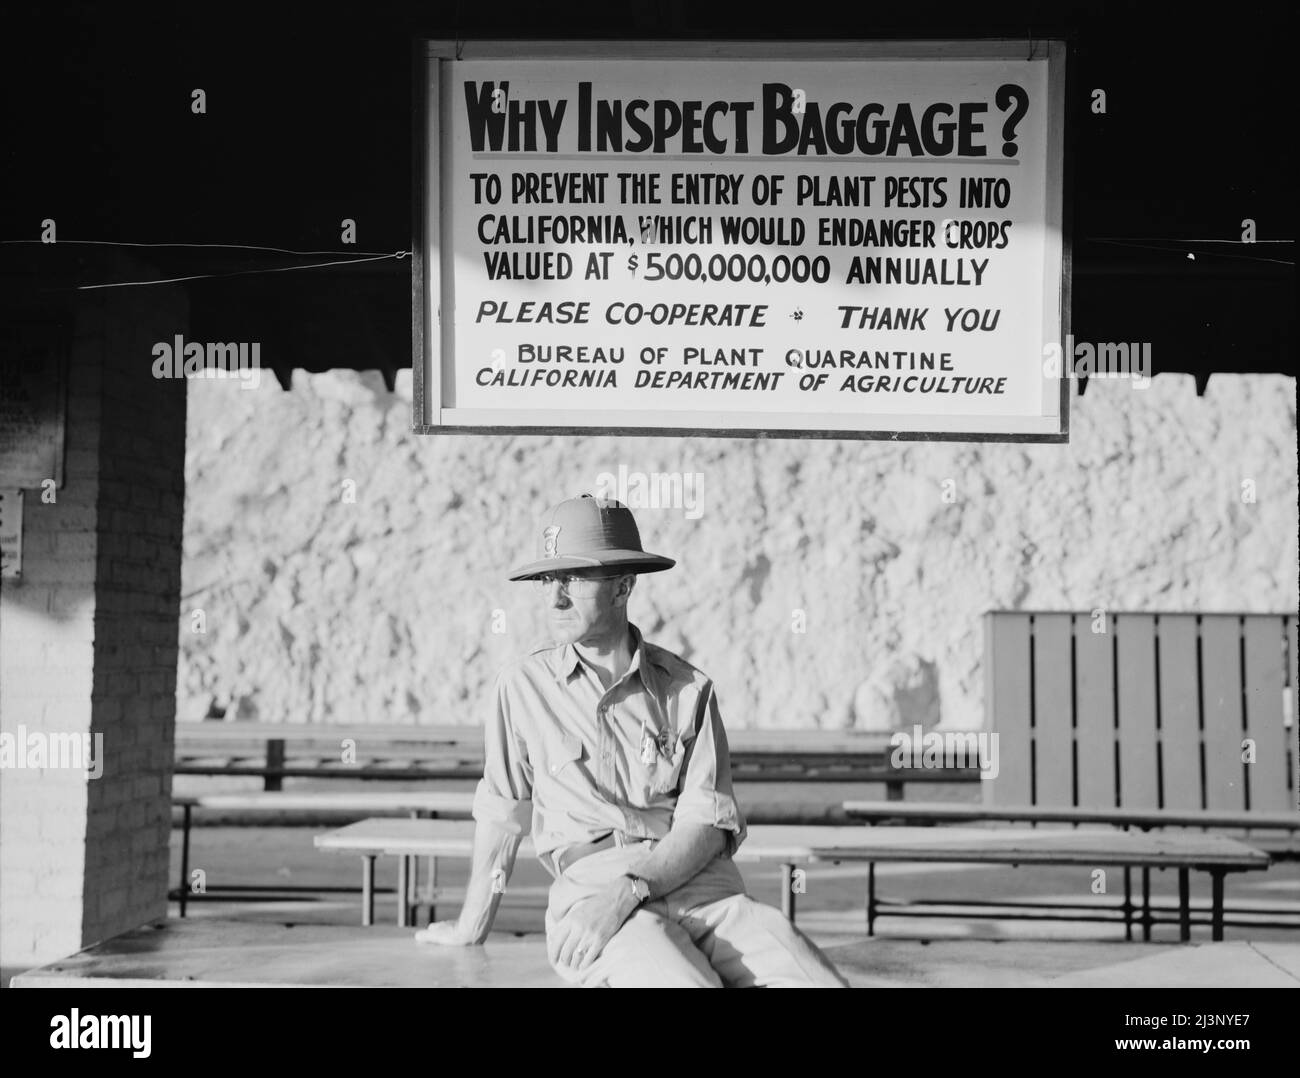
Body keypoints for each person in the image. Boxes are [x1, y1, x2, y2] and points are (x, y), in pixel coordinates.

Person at [415, 493, 848, 987]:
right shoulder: (522, 688)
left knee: (819, 981)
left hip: (704, 892)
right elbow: (502, 815)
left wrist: (634, 886)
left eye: (573, 579)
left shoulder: (688, 689)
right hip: (597, 902)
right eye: (547, 580)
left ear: (623, 587)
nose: (554, 597)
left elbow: (707, 825)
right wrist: (472, 926)